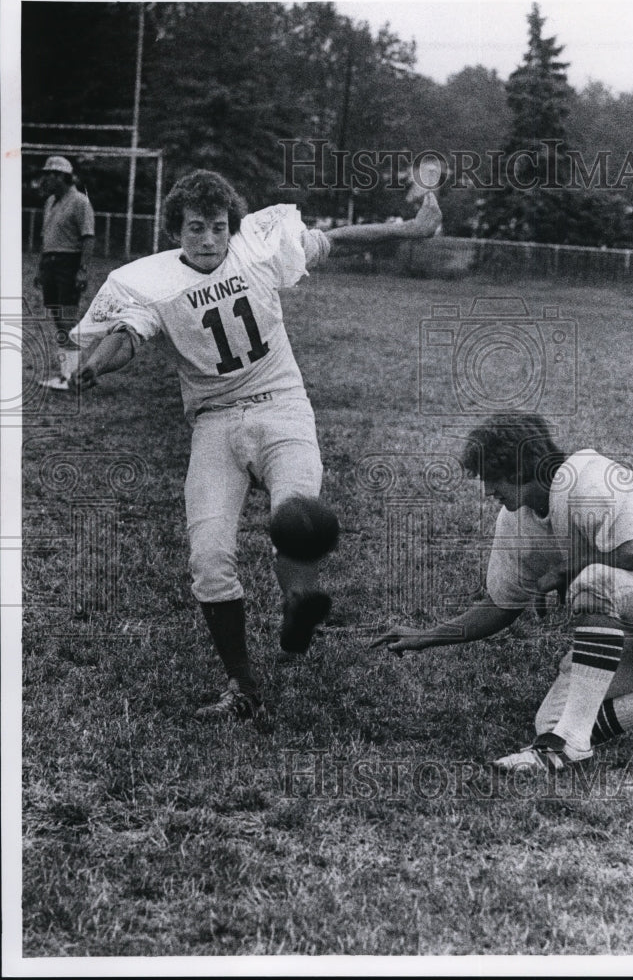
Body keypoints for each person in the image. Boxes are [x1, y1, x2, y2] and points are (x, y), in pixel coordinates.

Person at [68, 168, 442, 720]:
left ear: (230, 227)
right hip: (215, 421)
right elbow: (127, 336)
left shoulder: (258, 250)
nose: (208, 240)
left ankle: (297, 605)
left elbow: (337, 239)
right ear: (176, 231)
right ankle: (243, 686)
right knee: (210, 556)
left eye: (218, 227)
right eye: (195, 228)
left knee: (298, 516)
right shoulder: (150, 283)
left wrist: (410, 229)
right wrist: (96, 364)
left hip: (281, 403)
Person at [372, 413, 633, 772]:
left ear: (520, 468)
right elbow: (501, 605)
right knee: (550, 723)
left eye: (493, 478)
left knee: (595, 578)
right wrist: (425, 637)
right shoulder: (516, 518)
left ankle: (571, 745)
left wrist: (566, 569)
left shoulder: (588, 476)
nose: (488, 491)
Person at [34, 155, 95, 390]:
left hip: (68, 263)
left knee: (67, 318)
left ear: (63, 176)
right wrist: (41, 267)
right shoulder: (50, 201)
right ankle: (65, 374)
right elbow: (45, 237)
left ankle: (72, 377)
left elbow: (88, 237)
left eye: (51, 174)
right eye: (46, 173)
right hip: (51, 262)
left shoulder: (80, 201)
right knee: (58, 318)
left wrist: (82, 270)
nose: (47, 178)